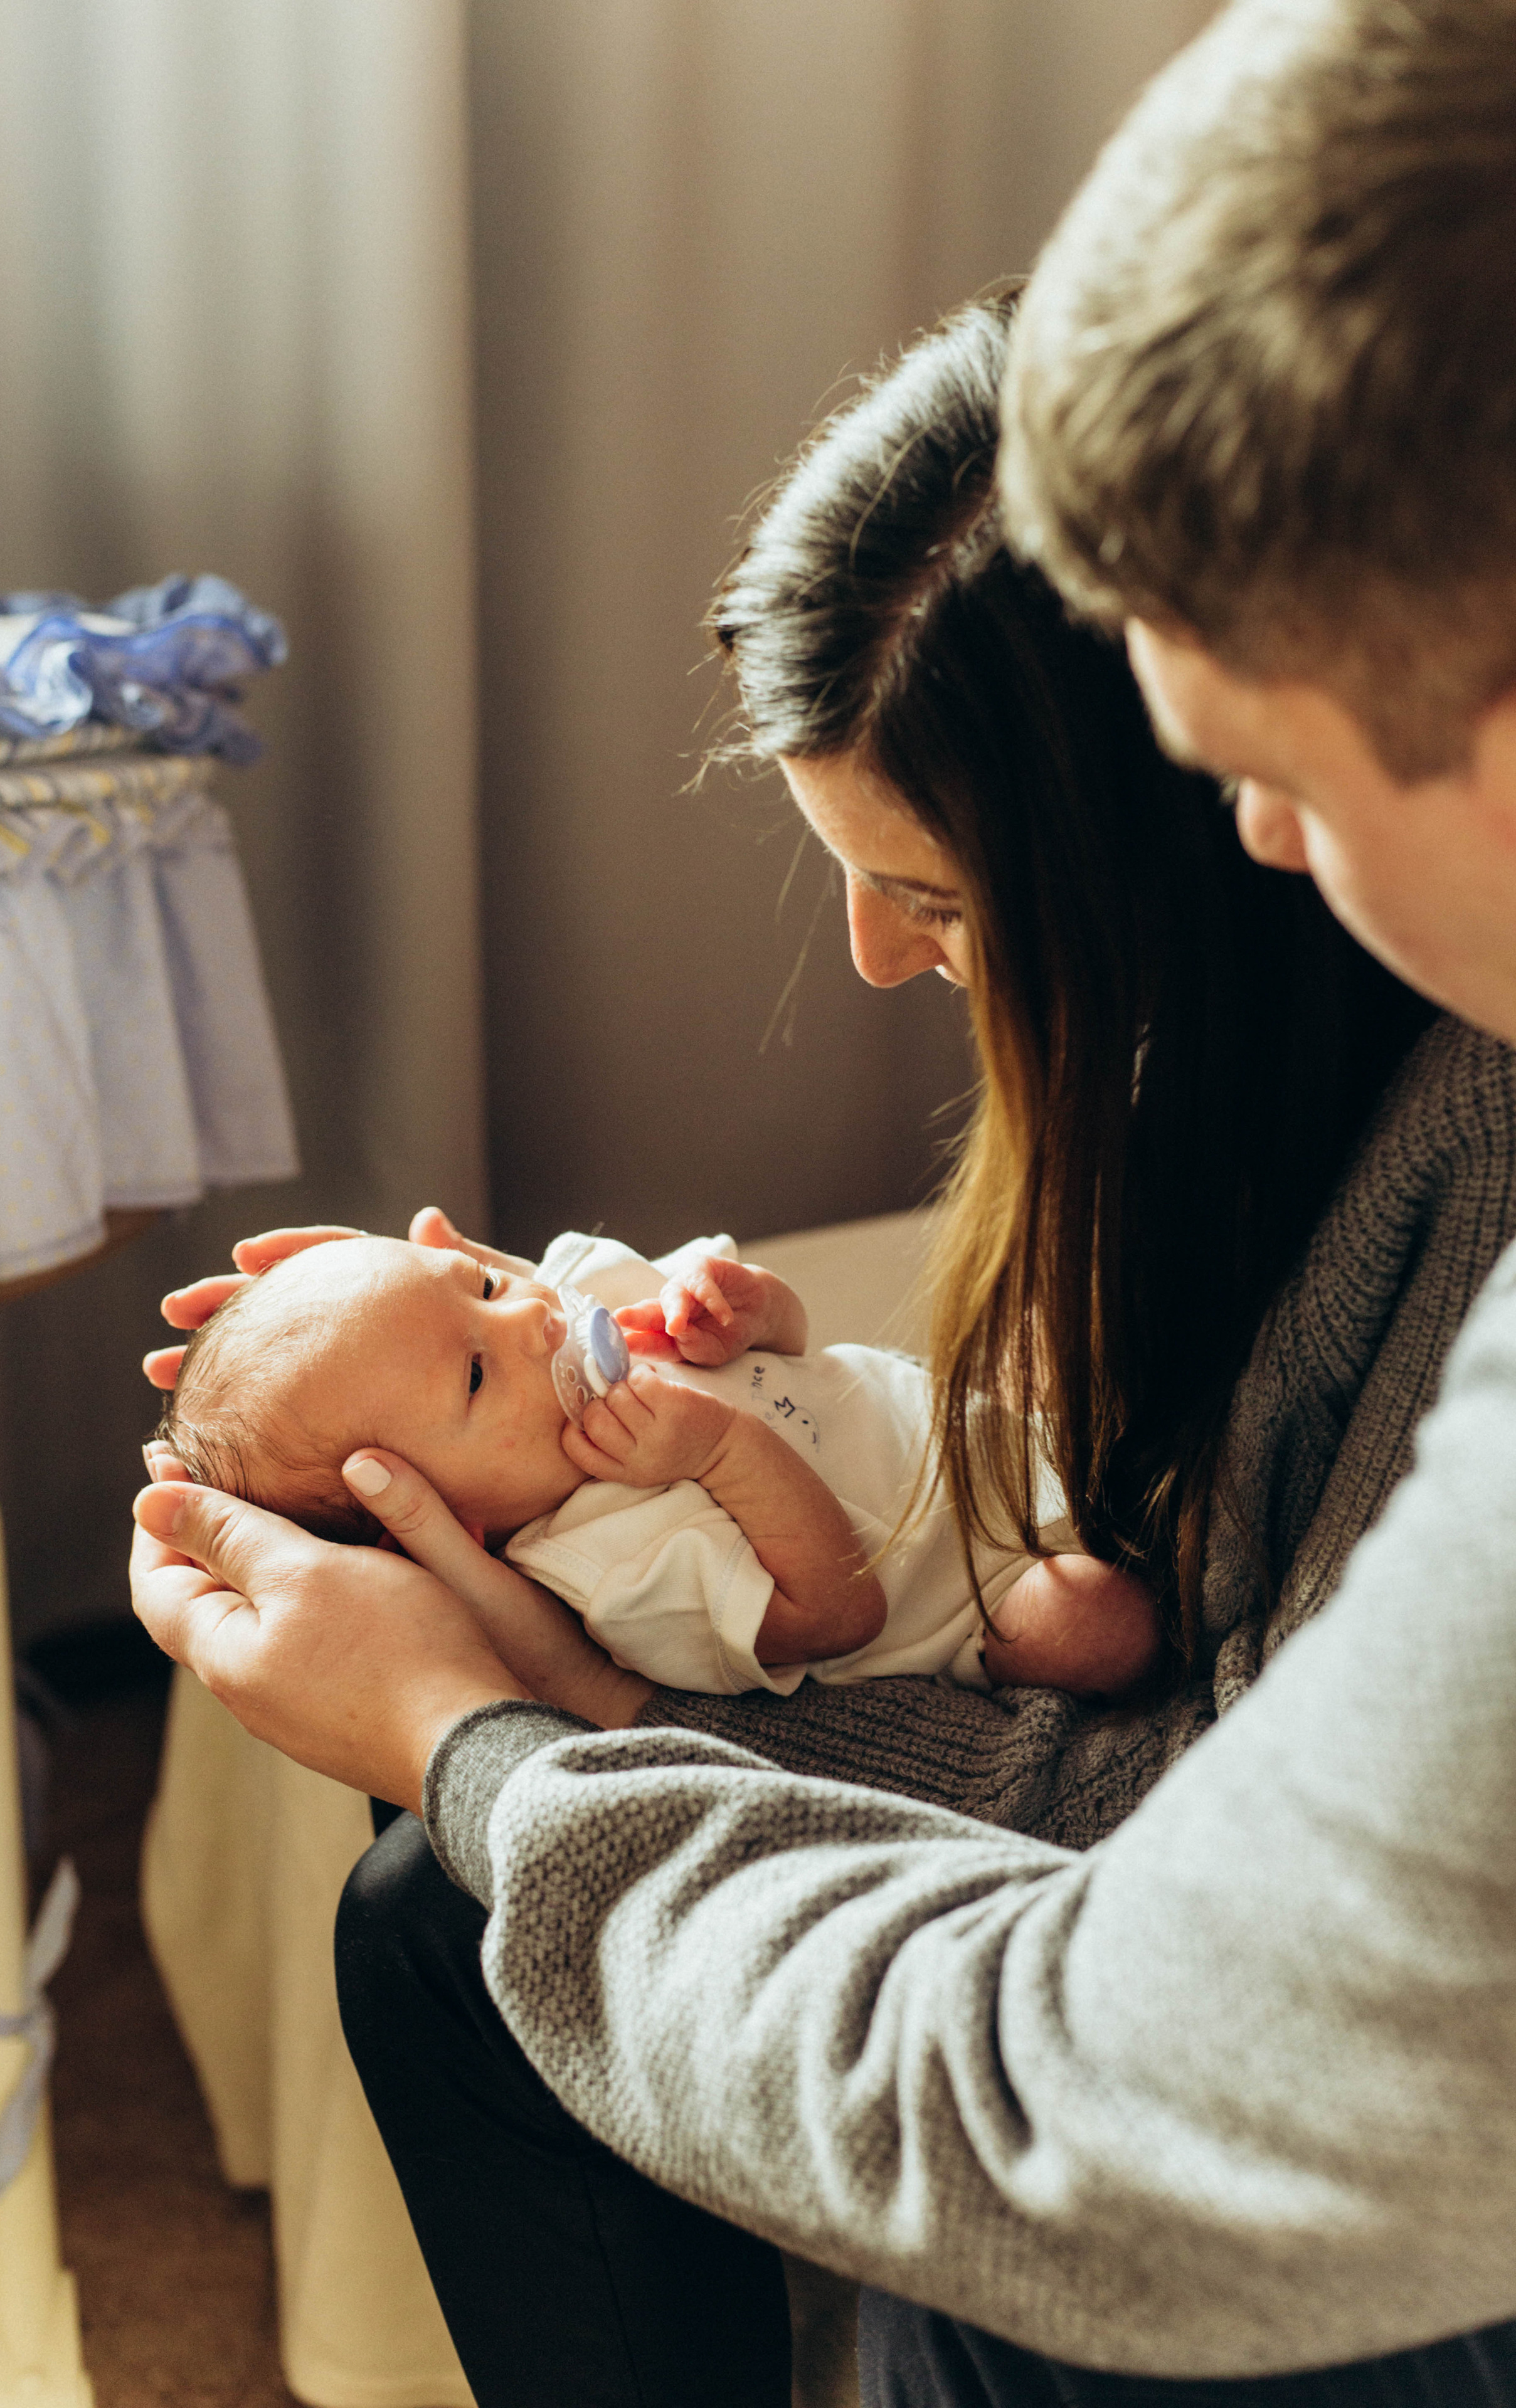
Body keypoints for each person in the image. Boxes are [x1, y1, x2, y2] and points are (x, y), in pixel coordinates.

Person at [129, 7, 1516, 2384]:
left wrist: (521, 1731)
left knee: (501, 1950)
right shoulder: (1223, 1081)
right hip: (1161, 1903)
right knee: (431, 1924)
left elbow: (1132, 2024)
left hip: (1214, 2106)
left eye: (1263, 767)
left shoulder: (1453, 1132)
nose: (884, 964)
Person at [152, 1223, 1161, 1699]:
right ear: (444, 1519)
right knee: (1086, 1627)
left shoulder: (582, 1300)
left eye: (477, 1285)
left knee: (1082, 1309)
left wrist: (749, 1306)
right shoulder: (612, 1566)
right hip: (984, 1586)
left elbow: (794, 1343)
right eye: (472, 1375)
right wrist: (721, 1450)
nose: (532, 1323)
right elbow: (843, 1615)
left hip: (976, 1420)